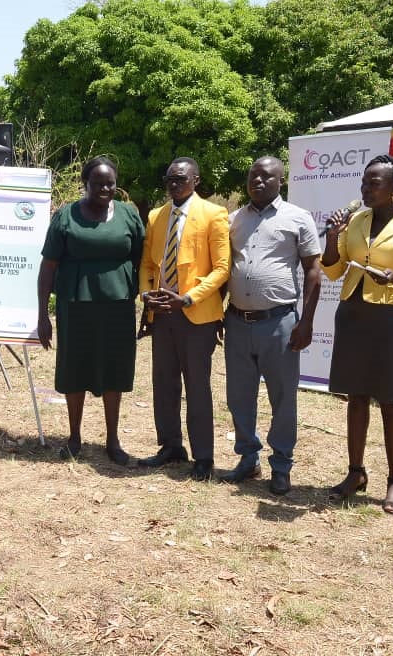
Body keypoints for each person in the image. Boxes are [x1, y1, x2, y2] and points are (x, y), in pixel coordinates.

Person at [321, 155, 393, 514]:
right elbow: (333, 271)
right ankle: (355, 473)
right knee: (356, 398)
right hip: (354, 315)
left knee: (392, 401)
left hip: (392, 319)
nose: (366, 188)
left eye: (374, 182)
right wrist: (331, 238)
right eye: (364, 182)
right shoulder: (356, 221)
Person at [221, 156, 322, 495]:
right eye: (253, 176)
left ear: (281, 181)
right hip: (237, 321)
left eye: (266, 176)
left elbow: (313, 271)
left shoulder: (298, 218)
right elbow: (223, 268)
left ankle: (281, 465)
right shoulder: (233, 219)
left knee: (283, 398)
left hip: (279, 323)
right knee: (238, 397)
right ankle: (248, 459)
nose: (258, 181)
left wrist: (306, 322)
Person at [37, 156, 145, 465]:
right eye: (98, 184)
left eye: (110, 183)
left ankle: (113, 440)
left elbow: (142, 259)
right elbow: (48, 267)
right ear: (86, 184)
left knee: (115, 369)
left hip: (118, 307)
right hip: (76, 306)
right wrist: (43, 314)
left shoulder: (128, 215)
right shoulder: (66, 216)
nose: (105, 188)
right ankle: (74, 437)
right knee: (75, 369)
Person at [137, 157, 230, 481]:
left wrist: (189, 297)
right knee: (163, 384)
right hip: (163, 314)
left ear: (196, 180)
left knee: (198, 387)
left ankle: (203, 456)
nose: (174, 184)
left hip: (196, 315)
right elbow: (149, 264)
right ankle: (171, 446)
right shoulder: (156, 216)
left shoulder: (214, 215)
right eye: (169, 179)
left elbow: (222, 268)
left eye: (180, 178)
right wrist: (146, 293)